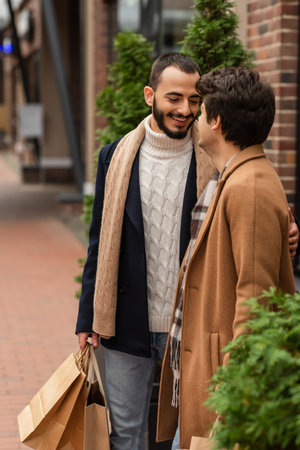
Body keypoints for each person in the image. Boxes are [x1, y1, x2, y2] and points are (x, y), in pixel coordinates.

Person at [76, 52, 216, 450]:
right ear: (149, 95)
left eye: (193, 100)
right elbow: (98, 242)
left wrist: (289, 227)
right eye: (174, 98)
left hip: (189, 323)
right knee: (126, 436)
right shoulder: (114, 157)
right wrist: (87, 317)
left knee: (193, 434)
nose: (185, 110)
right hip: (126, 322)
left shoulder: (214, 158)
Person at [156, 67, 296, 450]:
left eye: (201, 111)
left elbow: (257, 300)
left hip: (221, 391)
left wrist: (234, 399)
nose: (195, 117)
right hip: (207, 377)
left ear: (216, 122)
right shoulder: (230, 177)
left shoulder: (248, 186)